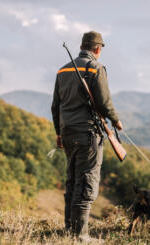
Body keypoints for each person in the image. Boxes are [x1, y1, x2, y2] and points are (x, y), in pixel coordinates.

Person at [51, 31, 123, 242]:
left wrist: (58, 133)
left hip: (67, 133)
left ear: (82, 46)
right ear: (98, 49)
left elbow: (56, 106)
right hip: (88, 134)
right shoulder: (96, 68)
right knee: (87, 182)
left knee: (73, 182)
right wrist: (116, 120)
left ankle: (69, 231)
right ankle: (80, 235)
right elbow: (104, 101)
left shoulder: (62, 70)